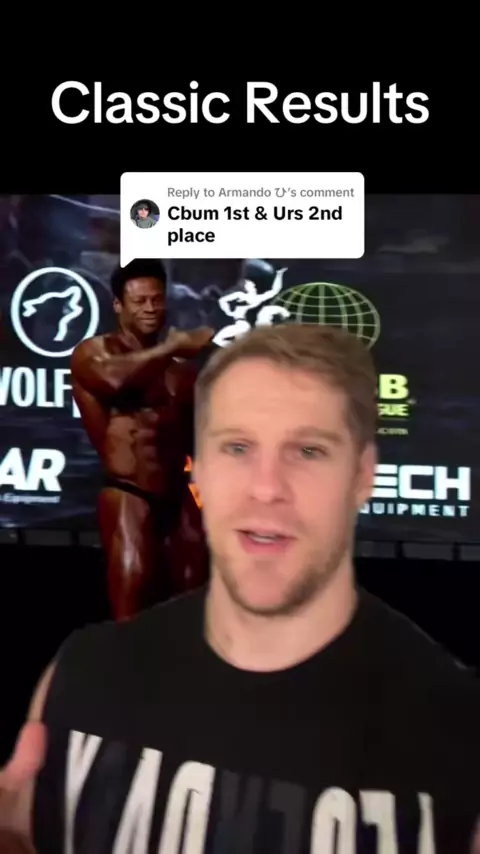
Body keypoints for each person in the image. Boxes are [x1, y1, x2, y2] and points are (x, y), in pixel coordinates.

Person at [1, 322, 480, 853]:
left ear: (363, 475)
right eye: (237, 447)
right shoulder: (83, 675)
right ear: (199, 470)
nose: (267, 487)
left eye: (308, 451)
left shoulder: (457, 729)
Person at [70, 258, 214, 620]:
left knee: (193, 600)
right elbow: (114, 381)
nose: (150, 308)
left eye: (156, 299)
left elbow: (197, 436)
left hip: (178, 495)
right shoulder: (96, 353)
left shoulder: (181, 371)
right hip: (130, 492)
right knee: (132, 597)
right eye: (139, 301)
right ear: (119, 305)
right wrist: (171, 347)